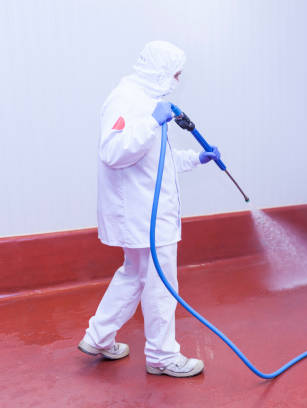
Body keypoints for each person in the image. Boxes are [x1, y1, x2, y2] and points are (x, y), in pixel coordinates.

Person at [78, 41, 219, 378]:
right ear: (159, 70)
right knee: (160, 283)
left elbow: (157, 162)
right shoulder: (126, 99)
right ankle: (162, 355)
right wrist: (153, 122)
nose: (177, 80)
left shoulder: (146, 101)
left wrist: (196, 158)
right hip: (144, 215)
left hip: (145, 214)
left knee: (134, 276)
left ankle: (98, 337)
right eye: (175, 74)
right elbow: (113, 151)